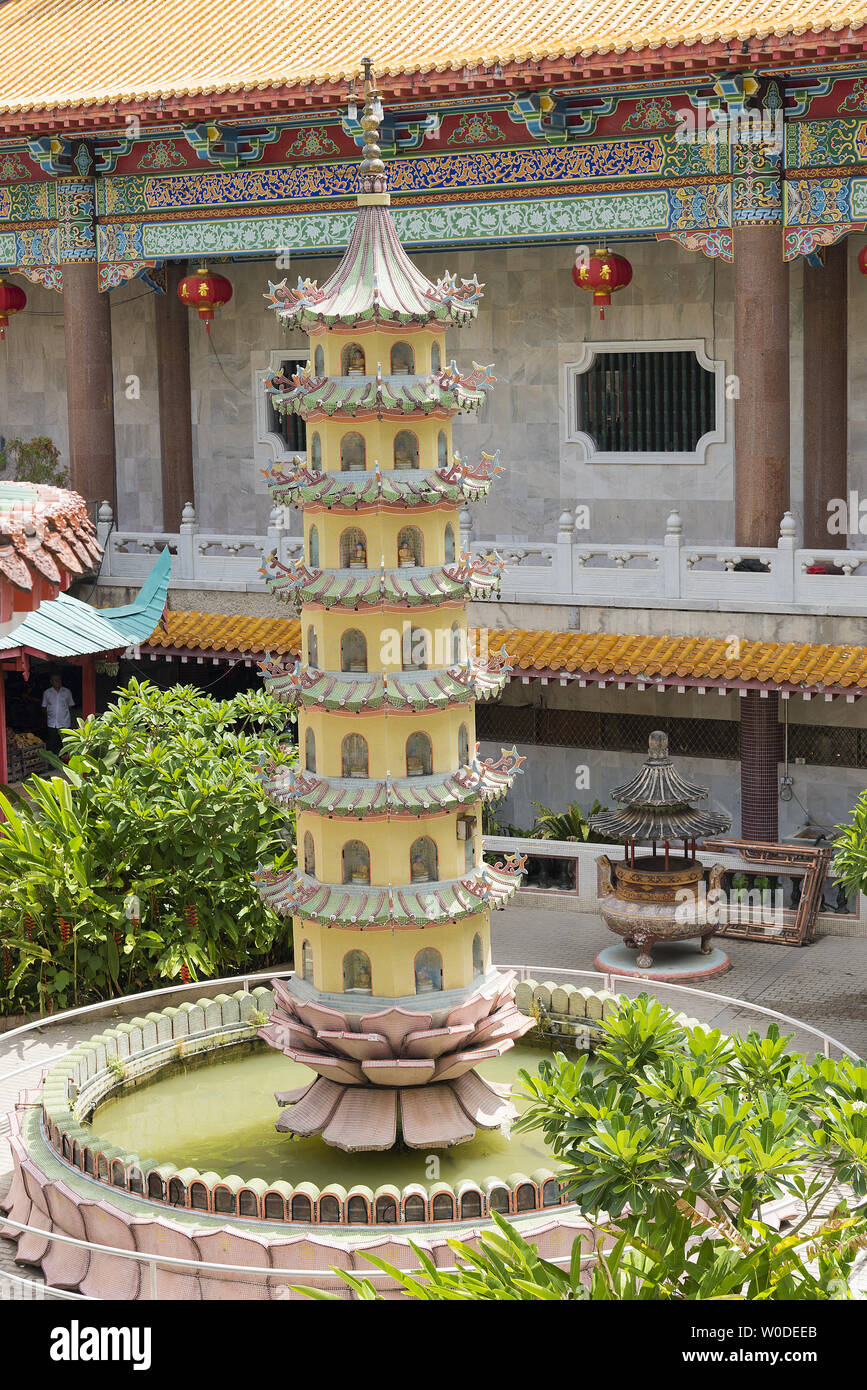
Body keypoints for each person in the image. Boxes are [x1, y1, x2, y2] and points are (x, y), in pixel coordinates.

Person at [41, 672, 75, 753]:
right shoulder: (47, 693)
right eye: (54, 680)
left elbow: (70, 706)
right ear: (51, 681)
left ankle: (66, 762)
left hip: (65, 723)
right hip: (52, 724)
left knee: (65, 745)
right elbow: (44, 707)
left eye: (58, 680)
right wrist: (50, 716)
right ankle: (54, 762)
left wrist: (63, 715)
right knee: (53, 745)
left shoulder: (67, 692)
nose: (57, 681)